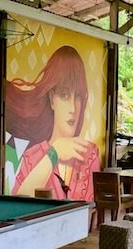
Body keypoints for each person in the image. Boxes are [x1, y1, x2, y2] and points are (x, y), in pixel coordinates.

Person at [6, 46, 100, 201]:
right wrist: (53, 153)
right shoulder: (32, 157)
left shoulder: (89, 154)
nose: (73, 108)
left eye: (77, 96)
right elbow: (18, 203)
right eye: (64, 95)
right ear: (51, 99)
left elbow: (91, 208)